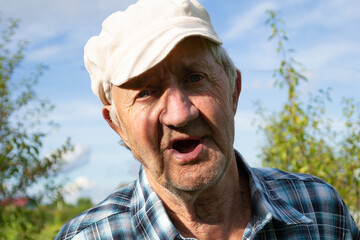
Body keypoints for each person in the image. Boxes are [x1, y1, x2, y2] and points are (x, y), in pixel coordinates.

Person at [55, 0, 359, 239]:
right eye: (146, 92)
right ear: (117, 125)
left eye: (195, 77)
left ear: (233, 91)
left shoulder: (319, 211)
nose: (180, 113)